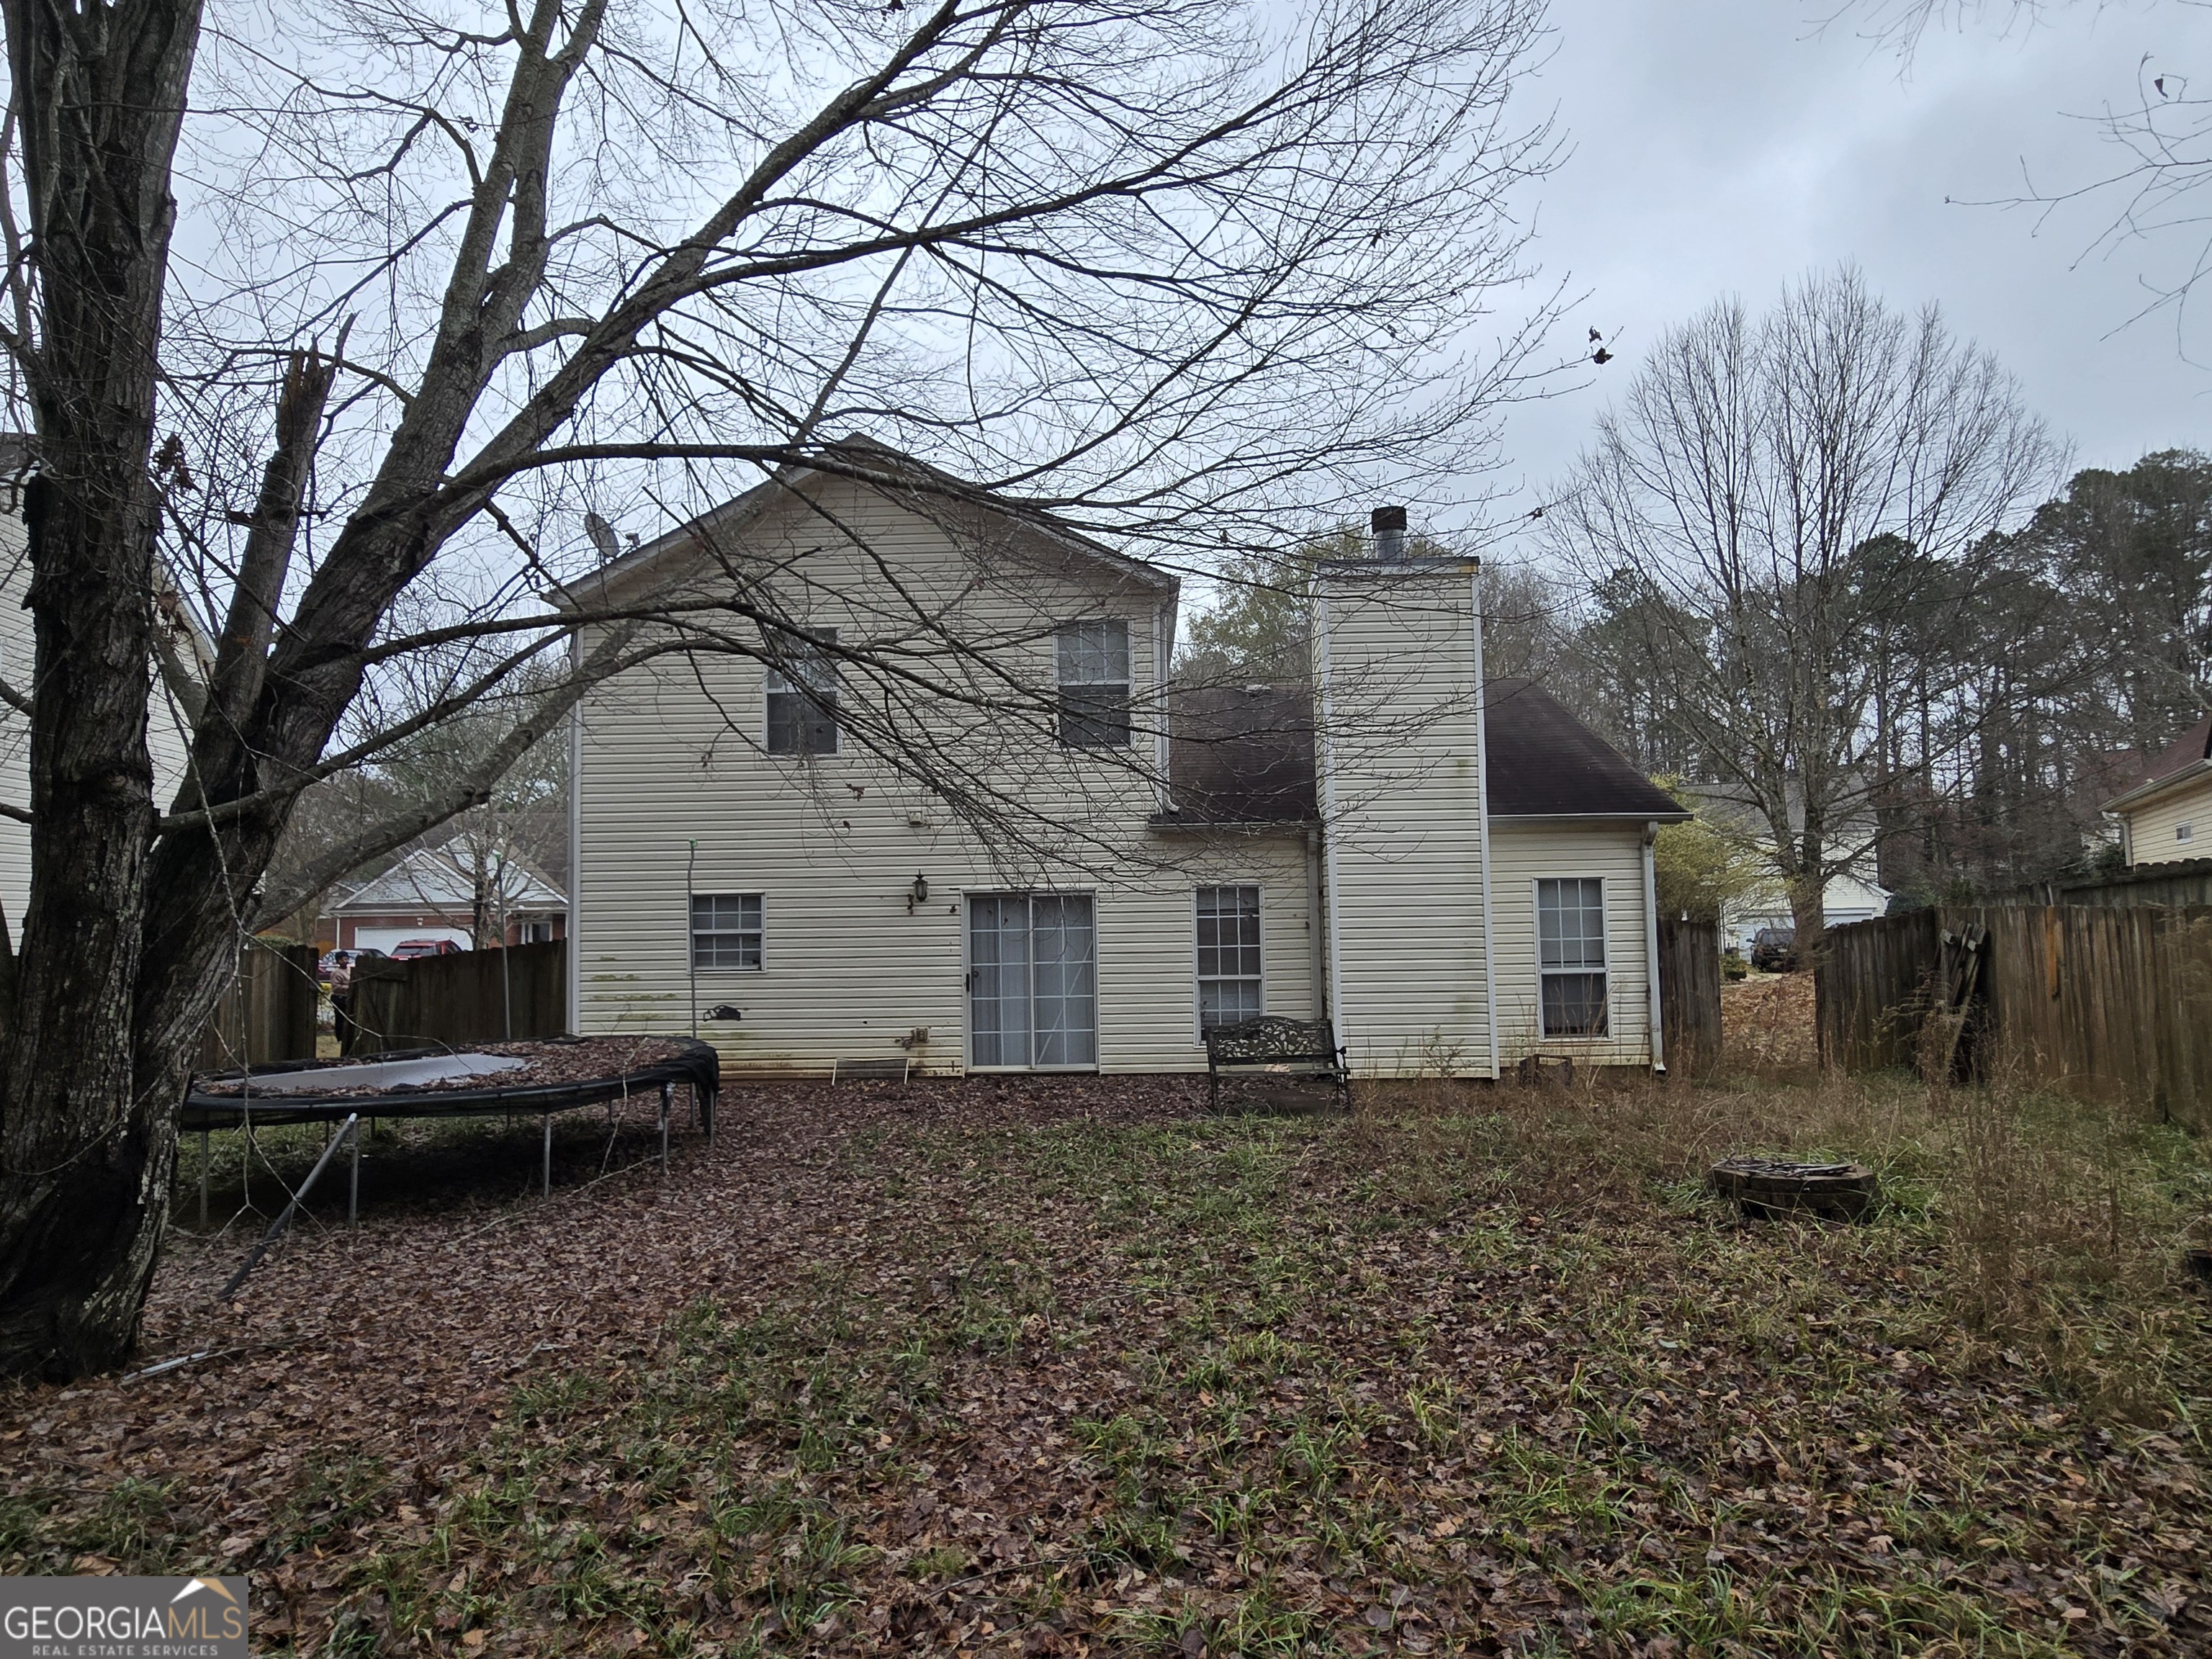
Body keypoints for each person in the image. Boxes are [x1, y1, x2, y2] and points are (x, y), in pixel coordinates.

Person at [328, 950, 356, 1051]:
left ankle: (348, 1036)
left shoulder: (350, 970)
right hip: (339, 998)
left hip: (348, 997)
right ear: (339, 961)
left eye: (347, 959)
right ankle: (340, 1037)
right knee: (340, 1019)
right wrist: (349, 987)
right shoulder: (336, 973)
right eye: (344, 959)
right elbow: (336, 987)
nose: (347, 961)